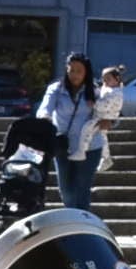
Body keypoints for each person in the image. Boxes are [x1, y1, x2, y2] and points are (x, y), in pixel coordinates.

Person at [36, 53, 123, 213]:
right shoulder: (56, 89)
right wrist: (44, 119)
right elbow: (44, 109)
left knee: (82, 189)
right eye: (72, 70)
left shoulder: (96, 90)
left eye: (79, 71)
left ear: (86, 72)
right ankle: (74, 218)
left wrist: (110, 122)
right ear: (66, 70)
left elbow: (114, 110)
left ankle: (80, 223)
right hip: (62, 145)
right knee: (66, 190)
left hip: (90, 146)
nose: (75, 75)